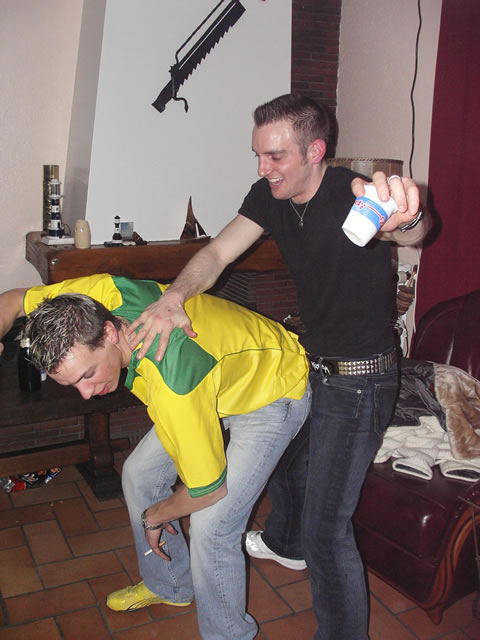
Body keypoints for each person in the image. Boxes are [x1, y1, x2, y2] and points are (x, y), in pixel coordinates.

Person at [125, 94, 430, 640]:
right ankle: (286, 544)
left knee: (326, 531)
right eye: (258, 155)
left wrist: (409, 217)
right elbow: (217, 254)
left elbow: (406, 231)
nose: (264, 168)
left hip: (361, 381)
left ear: (315, 151)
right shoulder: (269, 196)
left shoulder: (351, 194)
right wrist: (174, 296)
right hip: (309, 365)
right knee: (284, 455)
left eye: (275, 156)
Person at [0, 272, 311, 640]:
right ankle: (171, 585)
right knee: (138, 475)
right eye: (73, 384)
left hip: (273, 389)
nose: (86, 393)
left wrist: (155, 516)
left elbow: (208, 490)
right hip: (215, 379)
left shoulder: (174, 382)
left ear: (110, 333)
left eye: (88, 374)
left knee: (211, 527)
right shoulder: (94, 300)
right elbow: (14, 299)